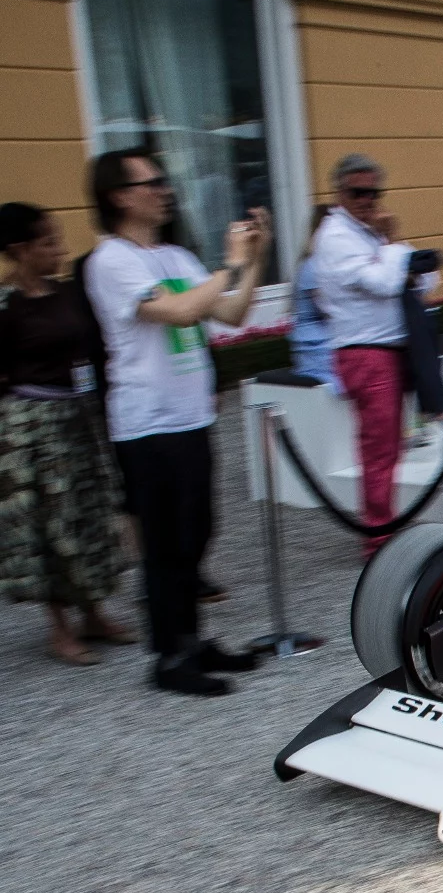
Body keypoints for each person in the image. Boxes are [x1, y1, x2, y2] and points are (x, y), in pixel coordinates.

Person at [83, 147, 269, 696]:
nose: (166, 189)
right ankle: (168, 657)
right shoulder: (112, 260)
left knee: (196, 533)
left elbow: (230, 312)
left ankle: (191, 639)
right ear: (119, 196)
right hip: (148, 423)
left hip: (190, 416)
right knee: (165, 542)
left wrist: (257, 257)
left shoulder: (173, 256)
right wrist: (231, 264)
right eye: (153, 182)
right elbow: (179, 311)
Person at [0, 202, 133, 666]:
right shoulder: (5, 304)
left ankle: (93, 613)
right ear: (20, 249)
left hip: (77, 418)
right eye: (48, 241)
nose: (59, 249)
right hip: (32, 428)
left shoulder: (65, 293)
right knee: (49, 525)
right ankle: (60, 628)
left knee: (89, 515)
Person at [311, 153, 443, 552]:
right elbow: (386, 283)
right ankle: (377, 533)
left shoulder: (367, 234)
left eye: (373, 192)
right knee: (379, 445)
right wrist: (395, 248)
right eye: (358, 192)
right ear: (339, 192)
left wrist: (391, 245)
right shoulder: (335, 236)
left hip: (386, 348)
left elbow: (425, 280)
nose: (368, 200)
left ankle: (382, 520)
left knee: (390, 442)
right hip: (364, 352)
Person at [289, 205, 340, 390]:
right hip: (318, 353)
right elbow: (330, 308)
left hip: (328, 346)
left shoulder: (325, 264)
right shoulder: (312, 267)